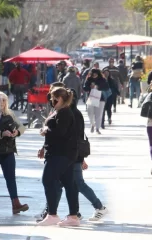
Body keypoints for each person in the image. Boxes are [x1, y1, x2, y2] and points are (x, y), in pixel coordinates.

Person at [37, 87, 79, 226]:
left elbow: (60, 132)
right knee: (69, 183)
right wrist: (44, 146)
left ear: (62, 98)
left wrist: (46, 130)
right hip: (61, 153)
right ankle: (73, 216)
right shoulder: (59, 111)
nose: (52, 100)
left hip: (60, 154)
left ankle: (52, 214)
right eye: (51, 97)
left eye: (55, 98)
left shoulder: (65, 112)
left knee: (48, 180)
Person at [70, 89, 108, 221]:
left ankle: (99, 207)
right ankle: (75, 213)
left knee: (75, 184)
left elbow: (77, 139)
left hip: (72, 157)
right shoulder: (71, 113)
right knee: (72, 184)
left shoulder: (73, 114)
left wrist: (80, 159)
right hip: (72, 156)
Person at [83, 69, 110, 134]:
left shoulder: (102, 80)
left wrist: (98, 87)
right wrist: (90, 87)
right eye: (93, 74)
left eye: (95, 74)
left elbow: (106, 87)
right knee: (90, 113)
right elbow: (84, 87)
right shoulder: (89, 79)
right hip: (91, 98)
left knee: (99, 114)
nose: (94, 75)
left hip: (101, 99)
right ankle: (92, 124)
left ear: (98, 74)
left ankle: (97, 128)